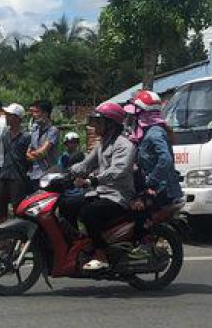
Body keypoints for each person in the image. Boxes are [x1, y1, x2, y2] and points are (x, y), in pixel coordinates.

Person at [69, 102, 136, 271]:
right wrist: (66, 171)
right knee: (66, 203)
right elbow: (86, 164)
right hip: (101, 192)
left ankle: (101, 254)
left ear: (111, 124)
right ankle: (82, 245)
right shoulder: (103, 143)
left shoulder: (124, 145)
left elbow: (117, 171)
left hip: (118, 196)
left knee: (88, 213)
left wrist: (93, 180)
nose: (94, 126)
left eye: (99, 122)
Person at [125, 90, 183, 258]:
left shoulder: (155, 132)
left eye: (136, 112)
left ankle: (145, 244)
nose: (133, 116)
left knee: (137, 207)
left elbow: (165, 160)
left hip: (161, 188)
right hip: (154, 185)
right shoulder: (144, 133)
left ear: (144, 112)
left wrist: (151, 181)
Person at [0, 103, 31, 224]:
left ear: (18, 118)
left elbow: (28, 159)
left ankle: (18, 236)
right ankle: (2, 236)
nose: (7, 118)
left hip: (18, 177)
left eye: (10, 115)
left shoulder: (26, 137)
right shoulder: (5, 135)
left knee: (18, 208)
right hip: (4, 174)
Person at [27, 100, 59, 191]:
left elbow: (42, 152)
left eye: (37, 112)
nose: (34, 115)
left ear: (45, 113)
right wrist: (34, 154)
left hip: (48, 175)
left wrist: (34, 154)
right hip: (34, 174)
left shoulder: (53, 131)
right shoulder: (35, 130)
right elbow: (27, 153)